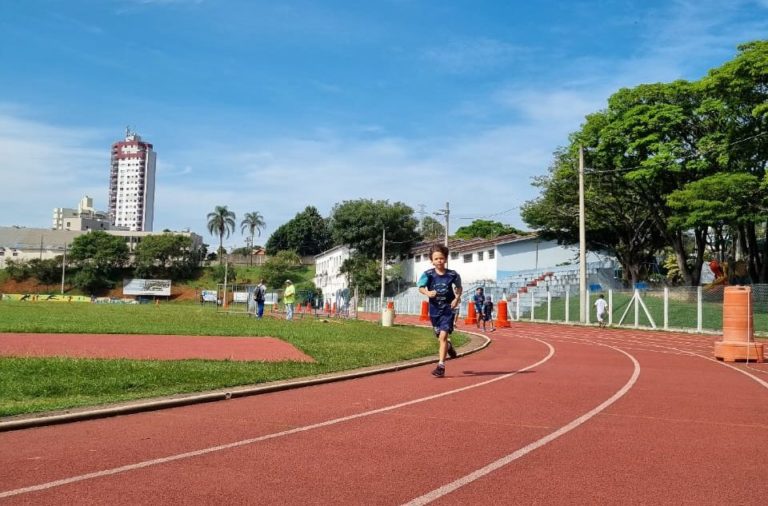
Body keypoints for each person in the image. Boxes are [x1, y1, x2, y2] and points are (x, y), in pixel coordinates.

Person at [418, 243, 463, 378]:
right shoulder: (428, 274)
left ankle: (441, 366)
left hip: (448, 310)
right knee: (440, 338)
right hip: (434, 310)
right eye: (436, 258)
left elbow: (459, 287)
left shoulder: (453, 275)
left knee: (443, 336)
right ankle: (449, 347)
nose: (439, 261)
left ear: (446, 258)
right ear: (431, 260)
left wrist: (457, 298)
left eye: (441, 258)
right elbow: (420, 287)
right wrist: (427, 292)